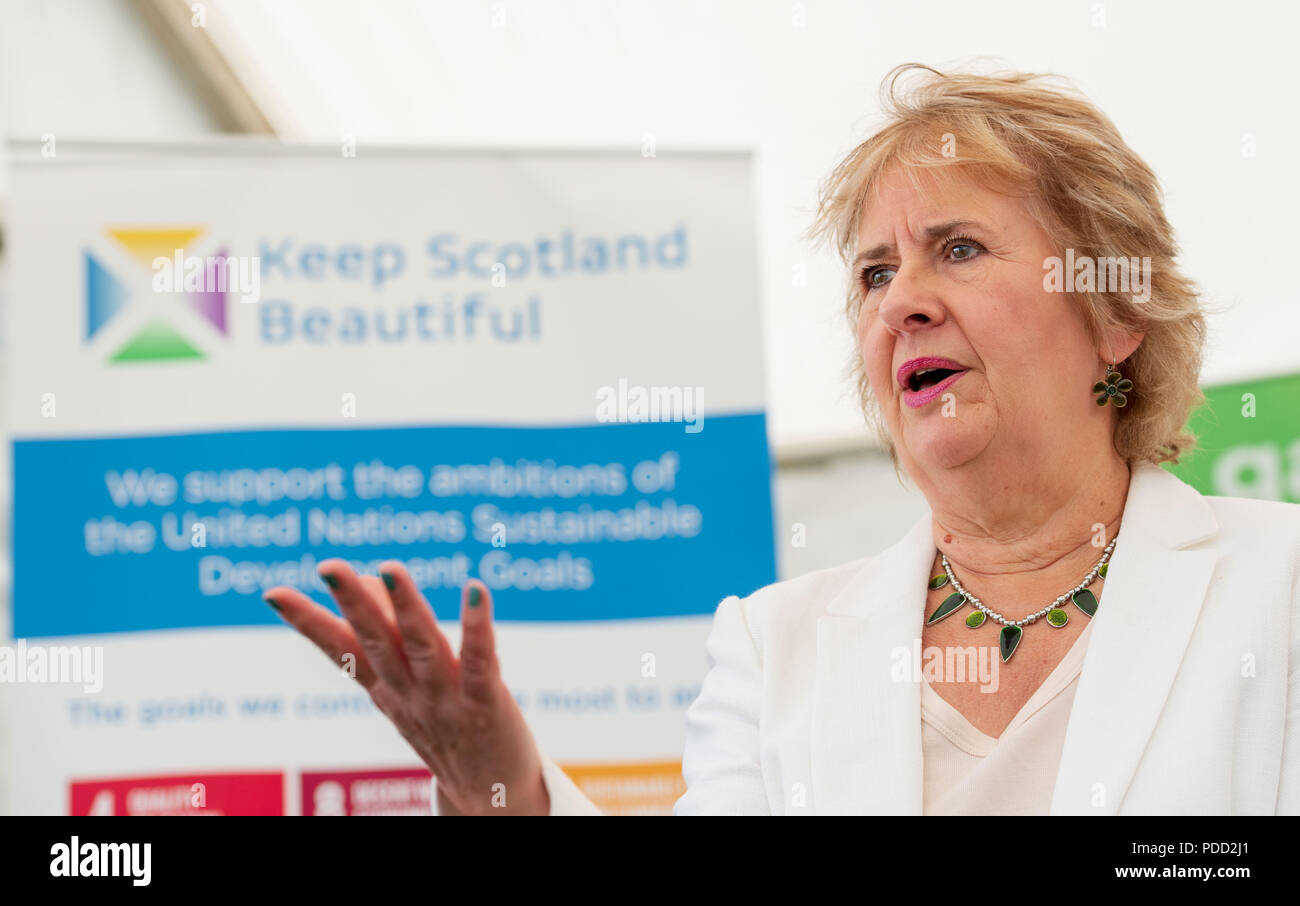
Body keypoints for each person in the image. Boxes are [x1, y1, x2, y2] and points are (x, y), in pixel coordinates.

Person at [265, 64, 1300, 815]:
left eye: (959, 249)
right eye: (874, 274)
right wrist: (501, 788)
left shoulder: (1279, 587)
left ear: (1115, 311)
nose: (903, 304)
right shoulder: (776, 646)